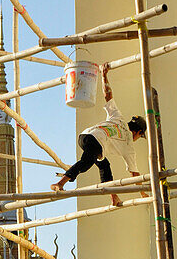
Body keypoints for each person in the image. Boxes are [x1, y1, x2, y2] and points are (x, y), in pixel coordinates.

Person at [51, 65, 146, 206]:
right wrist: (143, 192)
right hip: (96, 141)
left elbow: (108, 96)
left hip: (84, 136)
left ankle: (113, 197)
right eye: (140, 136)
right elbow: (134, 174)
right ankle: (60, 183)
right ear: (138, 132)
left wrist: (104, 75)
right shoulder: (129, 145)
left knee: (104, 166)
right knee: (86, 163)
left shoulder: (118, 117)